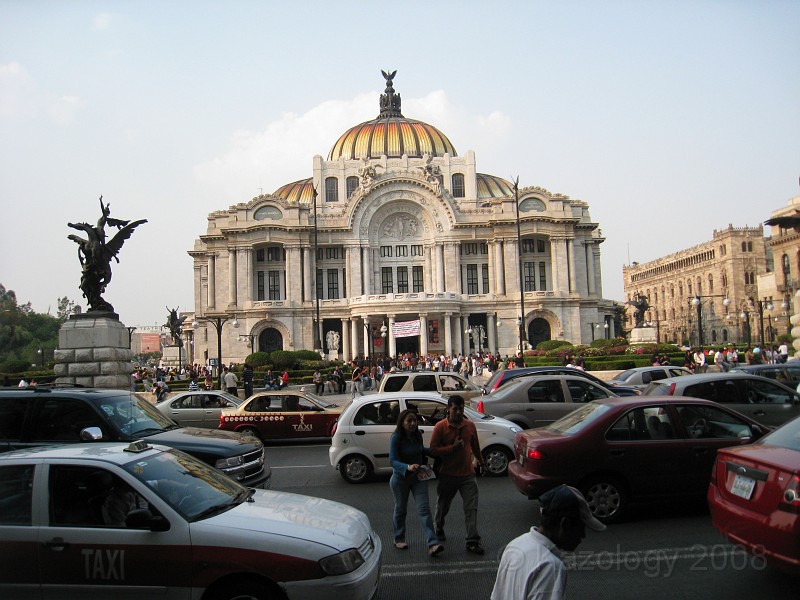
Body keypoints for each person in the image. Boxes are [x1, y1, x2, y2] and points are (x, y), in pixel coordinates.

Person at [490, 485, 606, 600]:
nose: (583, 535)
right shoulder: (550, 566)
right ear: (565, 524)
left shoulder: (516, 545)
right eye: (581, 528)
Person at [430, 395, 486, 555]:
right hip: (447, 474)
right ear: (448, 409)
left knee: (471, 508)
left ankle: (472, 540)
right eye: (455, 409)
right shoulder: (440, 427)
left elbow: (475, 446)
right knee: (443, 506)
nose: (459, 412)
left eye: (461, 409)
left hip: (468, 474)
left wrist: (481, 463)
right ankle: (438, 527)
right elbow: (433, 450)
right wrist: (451, 448)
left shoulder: (470, 426)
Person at [389, 409, 444, 557]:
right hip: (401, 480)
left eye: (415, 420)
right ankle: (399, 538)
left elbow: (420, 450)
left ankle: (433, 543)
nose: (413, 423)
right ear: (402, 423)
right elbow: (392, 460)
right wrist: (407, 467)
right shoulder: (396, 438)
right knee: (401, 509)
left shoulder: (417, 435)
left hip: (418, 478)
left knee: (424, 510)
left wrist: (434, 451)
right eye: (409, 421)